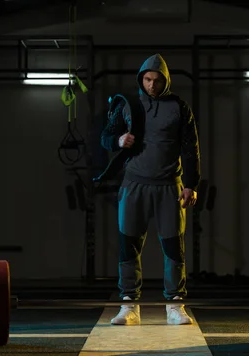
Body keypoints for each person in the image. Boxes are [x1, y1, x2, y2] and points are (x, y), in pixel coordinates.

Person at [100, 53, 201, 325]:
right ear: (140, 79)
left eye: (157, 80)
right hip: (134, 185)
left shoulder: (179, 107)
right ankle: (129, 304)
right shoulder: (128, 105)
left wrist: (191, 184)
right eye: (147, 79)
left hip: (170, 186)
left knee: (173, 247)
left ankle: (175, 305)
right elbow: (105, 137)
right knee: (128, 245)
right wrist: (119, 139)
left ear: (165, 81)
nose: (152, 85)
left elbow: (190, 148)